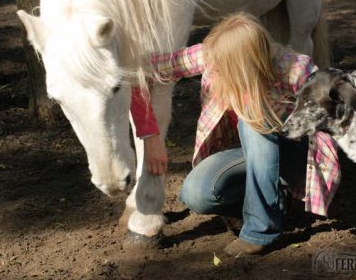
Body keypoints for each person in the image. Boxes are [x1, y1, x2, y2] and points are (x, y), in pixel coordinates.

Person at [130, 13, 340, 256]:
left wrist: (320, 185)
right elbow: (139, 72)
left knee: (253, 119)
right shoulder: (212, 56)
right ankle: (273, 199)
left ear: (243, 68)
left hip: (295, 156)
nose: (212, 71)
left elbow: (332, 120)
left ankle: (260, 231)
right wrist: (150, 136)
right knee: (196, 194)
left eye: (220, 69)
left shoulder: (294, 69)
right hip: (249, 155)